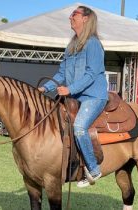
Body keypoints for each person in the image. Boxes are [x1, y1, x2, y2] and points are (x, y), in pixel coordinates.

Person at [38, 6, 108, 188]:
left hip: (93, 96)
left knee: (78, 127)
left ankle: (93, 169)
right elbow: (61, 74)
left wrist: (69, 89)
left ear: (85, 18)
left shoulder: (93, 44)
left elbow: (92, 74)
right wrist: (45, 88)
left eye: (74, 14)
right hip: (74, 96)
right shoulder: (71, 47)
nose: (70, 17)